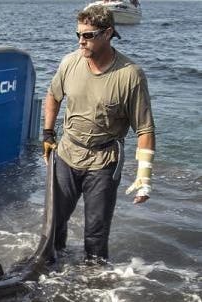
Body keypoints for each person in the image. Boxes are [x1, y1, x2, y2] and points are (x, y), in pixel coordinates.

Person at [42, 5, 155, 262]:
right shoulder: (70, 63)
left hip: (104, 162)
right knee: (52, 224)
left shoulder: (130, 75)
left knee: (95, 234)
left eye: (88, 35)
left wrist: (144, 176)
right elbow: (53, 95)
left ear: (108, 33)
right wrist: (48, 134)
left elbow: (145, 129)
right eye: (78, 35)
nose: (81, 41)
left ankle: (94, 288)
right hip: (68, 154)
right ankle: (50, 272)